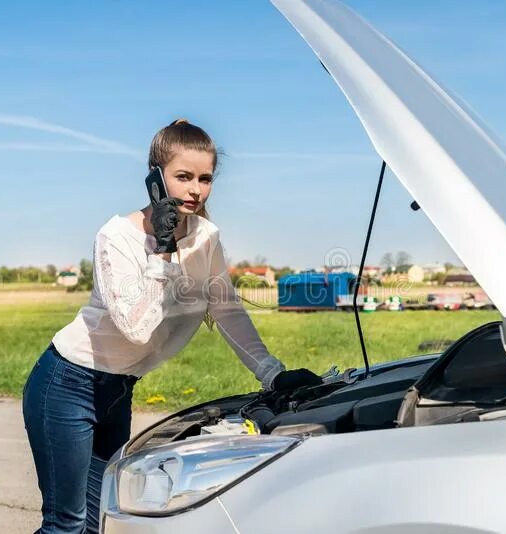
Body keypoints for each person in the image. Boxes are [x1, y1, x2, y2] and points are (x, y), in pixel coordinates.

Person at [22, 119, 322, 533]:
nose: (195, 190)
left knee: (96, 524)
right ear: (155, 178)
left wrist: (272, 373)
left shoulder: (205, 237)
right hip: (67, 385)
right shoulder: (116, 237)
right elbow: (138, 328)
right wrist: (161, 250)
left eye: (205, 178)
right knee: (66, 524)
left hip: (118, 391)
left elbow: (227, 309)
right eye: (183, 177)